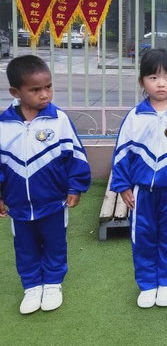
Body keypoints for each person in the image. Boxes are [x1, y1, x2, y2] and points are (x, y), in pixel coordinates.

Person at [111, 48, 167, 309]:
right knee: (143, 237)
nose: (161, 84)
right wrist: (123, 185)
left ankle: (166, 283)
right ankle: (147, 285)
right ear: (142, 81)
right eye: (153, 77)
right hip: (142, 193)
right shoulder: (134, 117)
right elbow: (121, 153)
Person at [0, 55, 91, 315]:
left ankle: (52, 284)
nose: (45, 94)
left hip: (53, 202)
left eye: (48, 87)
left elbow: (76, 155)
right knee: (24, 247)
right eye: (35, 89)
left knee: (55, 244)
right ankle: (31, 287)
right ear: (16, 92)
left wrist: (75, 187)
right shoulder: (3, 125)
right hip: (18, 205)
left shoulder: (59, 120)